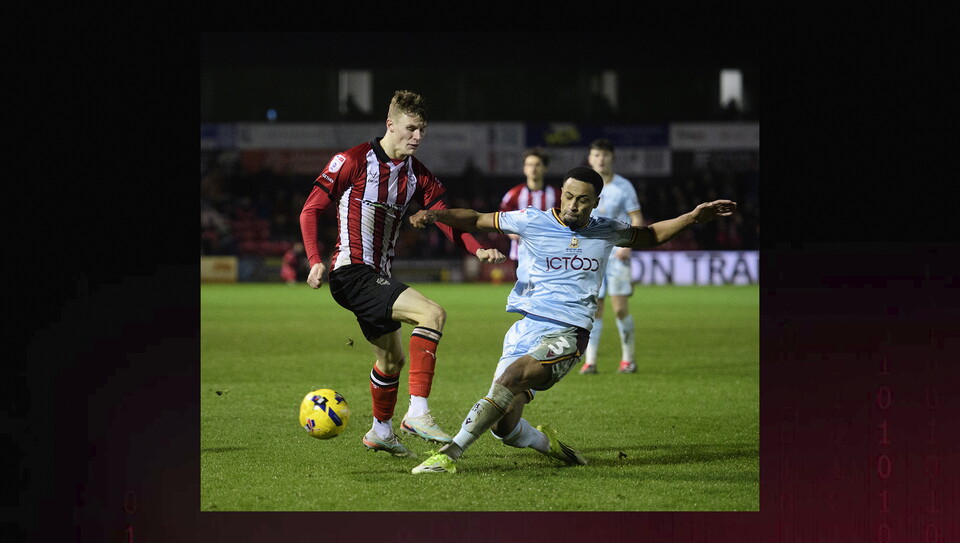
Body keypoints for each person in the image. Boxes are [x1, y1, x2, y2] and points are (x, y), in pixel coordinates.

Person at [406, 167, 736, 473]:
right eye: (568, 196)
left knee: (510, 378)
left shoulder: (607, 230)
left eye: (582, 200)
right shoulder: (530, 220)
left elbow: (649, 235)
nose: (573, 205)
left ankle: (449, 456)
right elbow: (477, 219)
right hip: (524, 329)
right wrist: (436, 215)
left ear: (595, 202)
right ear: (560, 192)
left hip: (566, 334)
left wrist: (692, 217)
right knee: (503, 428)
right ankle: (548, 444)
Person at [299, 90, 507, 458]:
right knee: (433, 314)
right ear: (390, 125)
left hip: (374, 275)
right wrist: (315, 258)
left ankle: (381, 431)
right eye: (411, 128)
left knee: (391, 360)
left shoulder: (418, 175)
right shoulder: (352, 160)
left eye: (422, 130)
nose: (417, 137)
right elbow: (310, 209)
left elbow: (445, 220)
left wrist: (478, 248)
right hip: (351, 272)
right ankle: (418, 413)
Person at [579, 138, 645, 375]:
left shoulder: (623, 187)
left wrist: (630, 242)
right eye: (596, 155)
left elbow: (637, 218)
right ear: (590, 158)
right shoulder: (583, 186)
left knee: (619, 309)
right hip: (591, 256)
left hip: (617, 256)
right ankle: (591, 361)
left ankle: (628, 360)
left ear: (612, 158)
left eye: (605, 155)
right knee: (593, 309)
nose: (601, 159)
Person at [499, 148, 560, 261]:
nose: (533, 168)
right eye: (529, 164)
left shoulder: (556, 194)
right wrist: (512, 234)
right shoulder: (513, 194)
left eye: (537, 165)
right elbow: (502, 218)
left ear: (545, 168)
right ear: (524, 169)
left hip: (549, 252)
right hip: (520, 252)